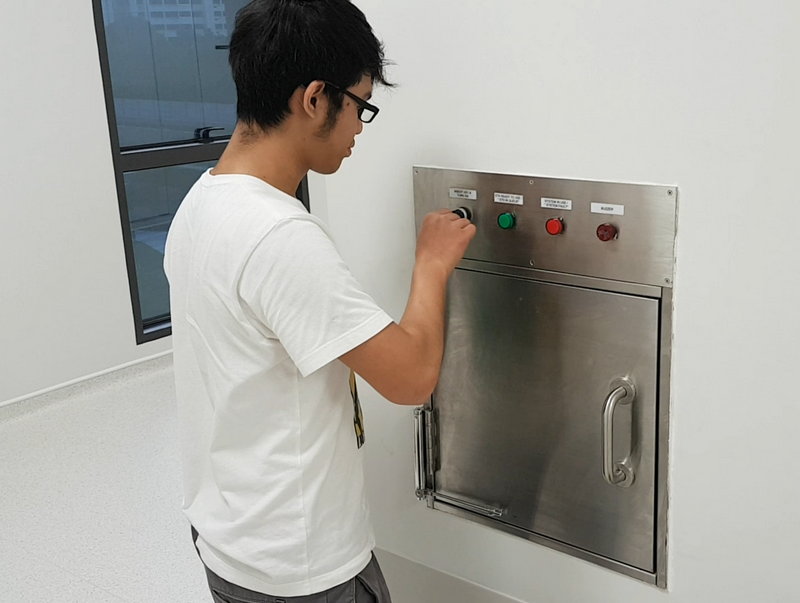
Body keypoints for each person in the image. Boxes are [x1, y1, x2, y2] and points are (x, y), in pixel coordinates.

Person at [163, 1, 476, 601]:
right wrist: (432, 264)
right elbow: (411, 378)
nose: (359, 127)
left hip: (229, 543)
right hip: (299, 567)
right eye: (360, 105)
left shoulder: (201, 203)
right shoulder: (280, 237)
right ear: (314, 99)